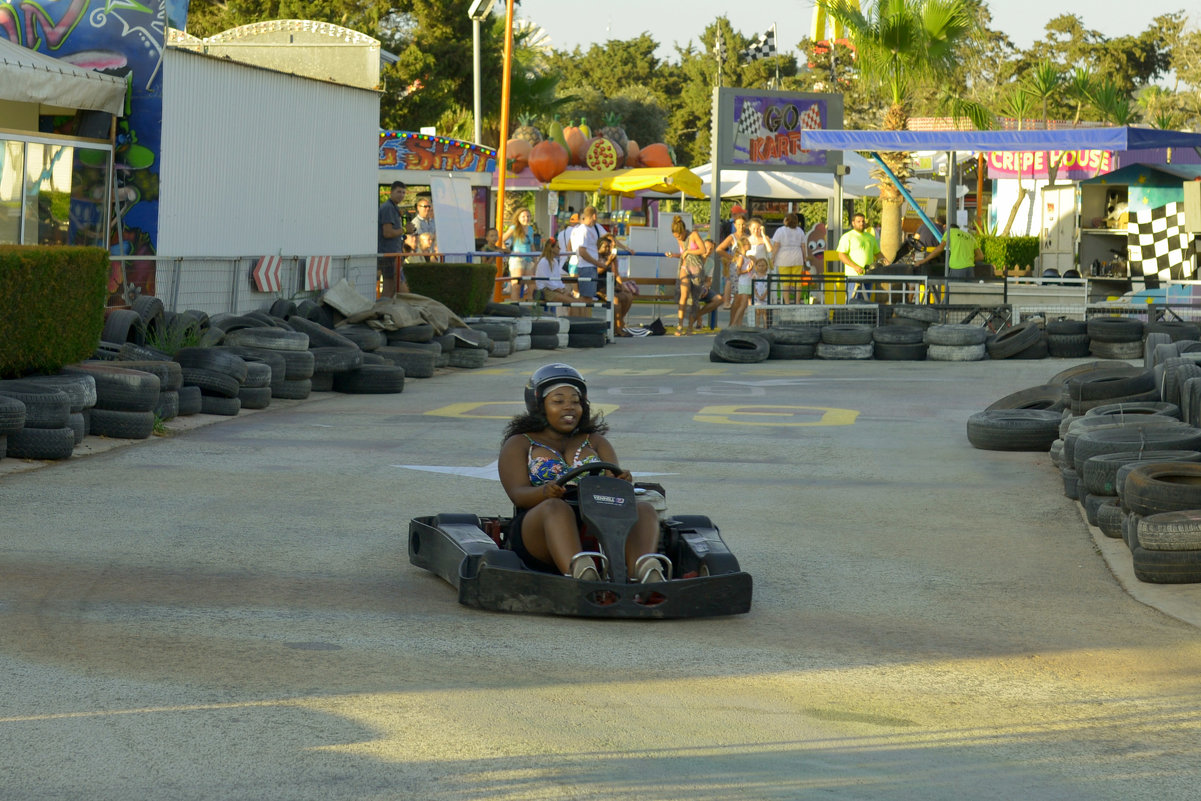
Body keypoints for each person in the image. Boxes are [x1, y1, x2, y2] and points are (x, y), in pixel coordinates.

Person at [498, 364, 665, 583]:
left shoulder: (596, 441)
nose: (569, 407)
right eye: (558, 401)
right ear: (539, 405)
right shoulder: (519, 443)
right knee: (555, 507)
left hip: (598, 519)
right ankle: (581, 571)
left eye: (575, 402)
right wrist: (545, 492)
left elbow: (613, 488)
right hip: (539, 527)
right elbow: (517, 493)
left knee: (643, 508)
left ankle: (642, 571)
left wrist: (619, 482)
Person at [666, 216, 707, 335]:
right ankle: (679, 325)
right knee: (683, 295)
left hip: (696, 267)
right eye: (676, 237)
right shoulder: (679, 239)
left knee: (694, 299)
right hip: (685, 266)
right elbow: (682, 255)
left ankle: (690, 326)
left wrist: (688, 251)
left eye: (679, 236)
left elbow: (703, 250)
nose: (679, 238)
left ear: (683, 231)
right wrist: (674, 255)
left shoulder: (694, 235)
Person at [836, 212, 883, 301]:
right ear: (853, 223)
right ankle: (849, 314)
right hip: (854, 276)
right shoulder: (847, 236)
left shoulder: (870, 237)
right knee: (853, 300)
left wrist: (885, 262)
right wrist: (855, 267)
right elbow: (841, 255)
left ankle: (864, 315)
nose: (861, 223)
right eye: (859, 221)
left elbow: (877, 253)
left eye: (863, 221)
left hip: (868, 274)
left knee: (866, 301)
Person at [915, 222, 986, 280]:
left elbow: (940, 248)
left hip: (957, 268)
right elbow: (980, 256)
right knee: (967, 295)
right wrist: (967, 260)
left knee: (953, 294)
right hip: (970, 269)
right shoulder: (970, 236)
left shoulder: (949, 232)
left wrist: (923, 261)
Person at [597, 235, 635, 335]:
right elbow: (598, 271)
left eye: (609, 247)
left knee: (628, 296)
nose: (608, 249)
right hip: (600, 287)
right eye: (605, 247)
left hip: (611, 286)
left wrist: (622, 285)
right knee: (616, 300)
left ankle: (618, 323)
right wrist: (609, 261)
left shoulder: (610, 257)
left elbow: (616, 274)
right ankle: (618, 328)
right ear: (599, 247)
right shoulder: (596, 257)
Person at [569, 206, 606, 308]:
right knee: (585, 298)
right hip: (586, 267)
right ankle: (580, 320)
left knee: (587, 298)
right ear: (594, 216)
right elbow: (582, 251)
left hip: (589, 266)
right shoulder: (584, 230)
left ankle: (582, 319)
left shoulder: (589, 229)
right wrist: (597, 263)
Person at [377, 181, 409, 297]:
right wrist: (405, 229)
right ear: (391, 192)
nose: (401, 195)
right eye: (398, 192)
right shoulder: (388, 208)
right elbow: (388, 233)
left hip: (393, 253)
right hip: (389, 254)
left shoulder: (392, 207)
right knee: (396, 288)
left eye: (404, 192)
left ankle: (384, 310)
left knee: (390, 288)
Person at [772, 212, 809, 304]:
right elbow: (803, 246)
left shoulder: (780, 230)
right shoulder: (800, 231)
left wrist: (773, 257)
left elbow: (776, 245)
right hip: (797, 257)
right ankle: (797, 301)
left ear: (786, 220)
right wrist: (804, 257)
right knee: (797, 281)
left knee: (785, 282)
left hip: (783, 258)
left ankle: (787, 302)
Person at [501, 207, 536, 301]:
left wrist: (536, 260)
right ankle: (515, 308)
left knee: (532, 284)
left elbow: (532, 246)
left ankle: (529, 307)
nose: (526, 218)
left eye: (528, 216)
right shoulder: (514, 228)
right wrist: (508, 251)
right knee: (516, 285)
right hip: (517, 260)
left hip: (529, 260)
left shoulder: (530, 229)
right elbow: (501, 240)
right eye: (523, 216)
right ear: (518, 218)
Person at [715, 212, 748, 309]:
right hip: (735, 264)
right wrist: (731, 257)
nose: (741, 227)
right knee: (729, 281)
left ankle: (742, 302)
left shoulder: (748, 236)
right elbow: (719, 249)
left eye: (743, 224)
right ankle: (726, 302)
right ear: (735, 225)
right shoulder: (732, 237)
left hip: (746, 264)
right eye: (738, 224)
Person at [532, 239, 575, 304]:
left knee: (575, 300)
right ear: (552, 248)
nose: (560, 249)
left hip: (553, 289)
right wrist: (561, 290)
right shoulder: (544, 261)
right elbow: (546, 282)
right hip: (545, 291)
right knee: (573, 301)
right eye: (558, 247)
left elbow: (557, 278)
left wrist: (563, 289)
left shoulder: (554, 261)